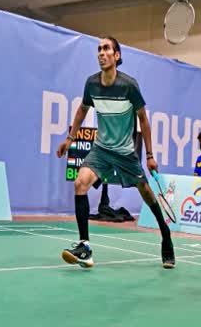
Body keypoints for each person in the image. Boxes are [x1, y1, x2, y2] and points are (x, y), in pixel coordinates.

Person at [56, 36, 174, 268]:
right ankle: (85, 247)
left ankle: (166, 235)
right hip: (101, 149)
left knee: (146, 192)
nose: (101, 53)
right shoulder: (91, 83)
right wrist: (70, 139)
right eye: (99, 49)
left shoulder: (129, 85)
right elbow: (82, 109)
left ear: (117, 56)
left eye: (107, 49)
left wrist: (149, 155)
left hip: (125, 152)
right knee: (80, 183)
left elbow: (144, 120)